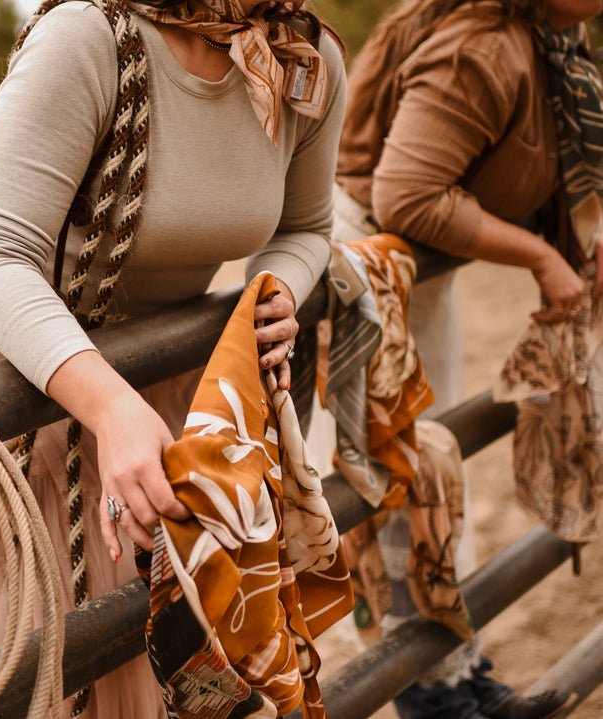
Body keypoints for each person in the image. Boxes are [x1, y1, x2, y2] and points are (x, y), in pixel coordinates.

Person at [0, 0, 347, 714]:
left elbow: (308, 226)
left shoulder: (305, 58)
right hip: (49, 383)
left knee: (177, 648)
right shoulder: (86, 41)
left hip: (175, 379)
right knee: (85, 667)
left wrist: (278, 287)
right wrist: (111, 409)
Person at [332, 0, 602, 716]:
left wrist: (581, 241)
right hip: (370, 277)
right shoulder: (483, 50)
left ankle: (463, 672)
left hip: (418, 275)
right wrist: (543, 256)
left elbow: (541, 159)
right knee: (399, 491)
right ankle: (432, 698)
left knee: (439, 478)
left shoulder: (553, 36)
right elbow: (406, 195)